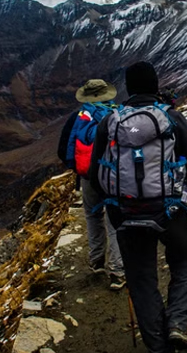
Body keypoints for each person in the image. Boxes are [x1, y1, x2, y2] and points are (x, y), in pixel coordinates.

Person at [90, 62, 187, 352]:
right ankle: (177, 325)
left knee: (142, 280)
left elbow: (96, 174)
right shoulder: (172, 119)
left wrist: (116, 208)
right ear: (156, 86)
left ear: (128, 89)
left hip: (127, 213)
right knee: (184, 261)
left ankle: (158, 346)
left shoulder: (110, 122)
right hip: (169, 211)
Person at [57, 79, 126, 290]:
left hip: (88, 177)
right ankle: (118, 271)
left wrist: (79, 168)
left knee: (93, 215)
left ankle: (96, 261)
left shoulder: (78, 117)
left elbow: (63, 149)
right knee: (115, 220)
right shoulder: (118, 115)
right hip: (114, 176)